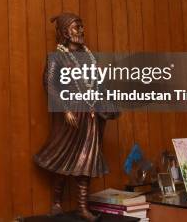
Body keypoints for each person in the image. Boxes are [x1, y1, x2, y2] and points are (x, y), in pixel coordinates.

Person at [34, 12, 119, 221]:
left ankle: (82, 207)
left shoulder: (90, 56)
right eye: (76, 27)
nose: (81, 30)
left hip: (90, 116)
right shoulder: (57, 57)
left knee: (87, 160)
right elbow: (49, 85)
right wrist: (66, 109)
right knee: (65, 158)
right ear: (64, 32)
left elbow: (98, 84)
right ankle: (56, 202)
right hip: (70, 117)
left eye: (81, 26)